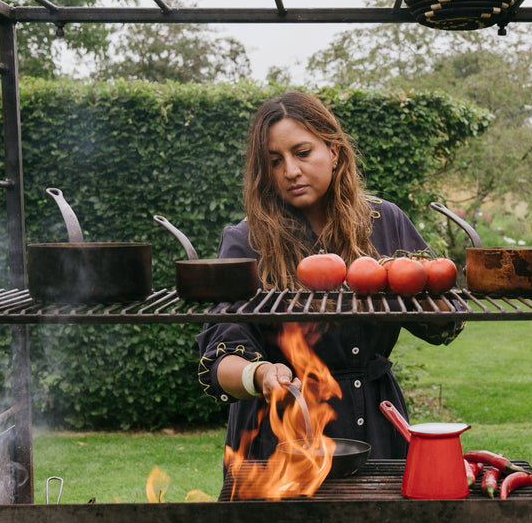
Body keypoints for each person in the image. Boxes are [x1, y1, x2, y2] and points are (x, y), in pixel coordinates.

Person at [196, 91, 462, 463]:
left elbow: (445, 324)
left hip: (375, 420)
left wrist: (407, 289)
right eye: (275, 161)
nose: (290, 171)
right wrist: (260, 374)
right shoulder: (247, 241)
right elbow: (219, 354)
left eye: (302, 153)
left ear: (334, 152)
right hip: (281, 432)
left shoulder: (384, 223)